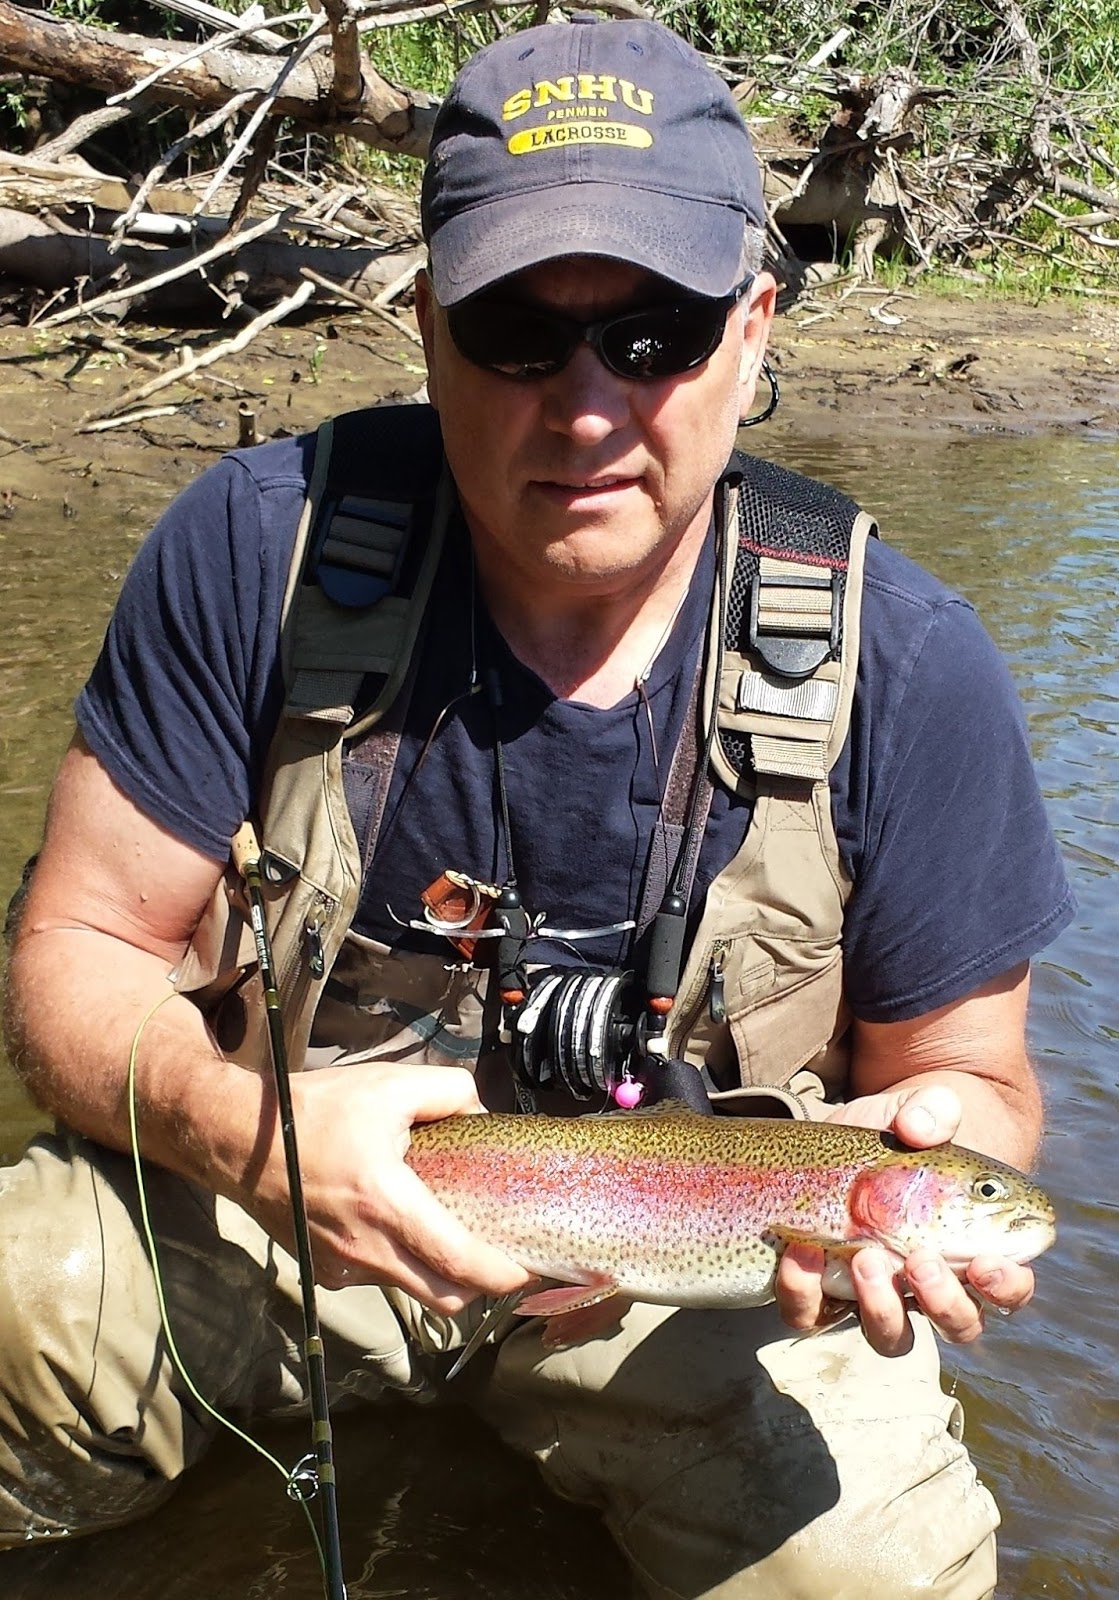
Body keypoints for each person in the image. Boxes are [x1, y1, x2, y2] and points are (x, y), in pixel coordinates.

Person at [0, 16, 1073, 1600]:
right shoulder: (258, 555)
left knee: (878, 1580)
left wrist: (956, 1153)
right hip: (284, 1205)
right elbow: (72, 957)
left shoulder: (908, 667)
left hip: (701, 1297)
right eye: (517, 328)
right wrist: (251, 1136)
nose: (586, 405)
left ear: (755, 326)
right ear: (428, 323)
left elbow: (975, 1082)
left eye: (654, 334)